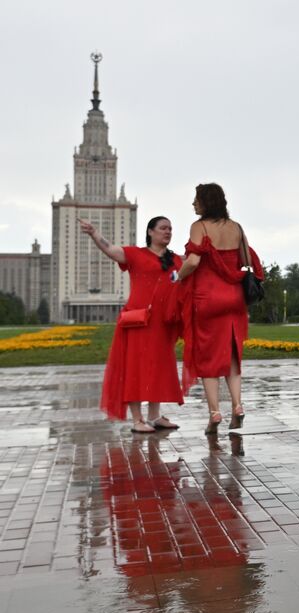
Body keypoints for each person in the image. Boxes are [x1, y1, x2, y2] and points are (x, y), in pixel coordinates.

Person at [81, 215, 183, 432]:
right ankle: (138, 419)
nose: (168, 232)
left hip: (163, 323)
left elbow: (194, 265)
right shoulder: (135, 254)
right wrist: (94, 233)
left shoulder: (175, 260)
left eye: (170, 229)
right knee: (135, 368)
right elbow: (110, 250)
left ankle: (154, 416)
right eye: (163, 228)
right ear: (150, 232)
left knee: (159, 367)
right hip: (138, 320)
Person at [175, 183, 263, 434]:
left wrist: (177, 277)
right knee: (233, 356)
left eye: (196, 200)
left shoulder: (199, 227)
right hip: (234, 298)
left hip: (207, 299)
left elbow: (192, 261)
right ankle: (238, 406)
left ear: (206, 202)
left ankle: (214, 413)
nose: (193, 204)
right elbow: (246, 261)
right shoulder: (236, 227)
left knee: (208, 359)